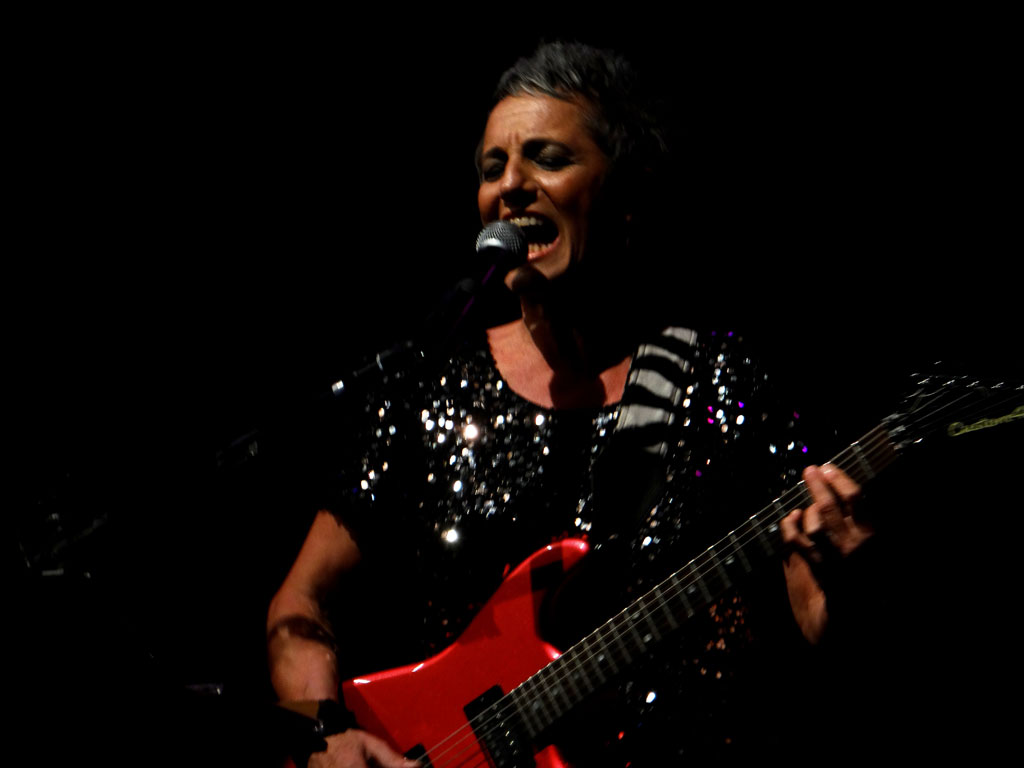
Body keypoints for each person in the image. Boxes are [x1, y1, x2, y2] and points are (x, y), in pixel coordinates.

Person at [267, 41, 873, 767]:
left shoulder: (720, 381)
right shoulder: (427, 388)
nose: (511, 187)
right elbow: (300, 607)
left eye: (547, 159)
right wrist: (323, 737)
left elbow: (814, 627)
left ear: (626, 193)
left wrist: (840, 597)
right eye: (492, 168)